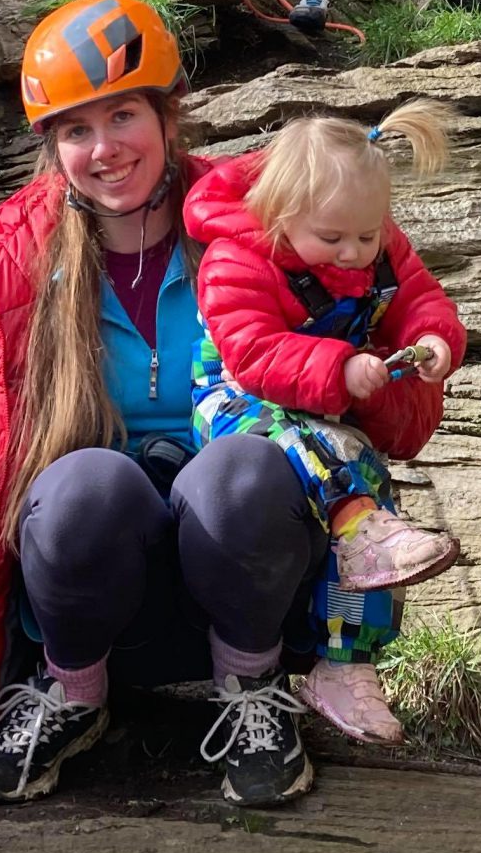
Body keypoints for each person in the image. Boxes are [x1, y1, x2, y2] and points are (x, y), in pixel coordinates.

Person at [0, 0, 340, 812]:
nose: (104, 150)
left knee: (240, 473)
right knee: (86, 486)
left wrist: (405, 377)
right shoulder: (13, 268)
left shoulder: (260, 229)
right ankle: (74, 699)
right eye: (75, 130)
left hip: (248, 580)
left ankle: (255, 695)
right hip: (87, 594)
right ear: (52, 147)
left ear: (170, 114)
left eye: (123, 115)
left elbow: (366, 341)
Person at [186, 110, 466, 744]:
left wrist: (433, 338)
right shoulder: (235, 259)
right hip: (239, 407)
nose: (354, 253)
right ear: (281, 217)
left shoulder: (379, 248)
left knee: (364, 488)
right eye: (333, 237)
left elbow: (421, 296)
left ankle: (344, 662)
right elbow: (252, 353)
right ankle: (361, 528)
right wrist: (340, 366)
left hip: (324, 413)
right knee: (338, 472)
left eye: (367, 237)